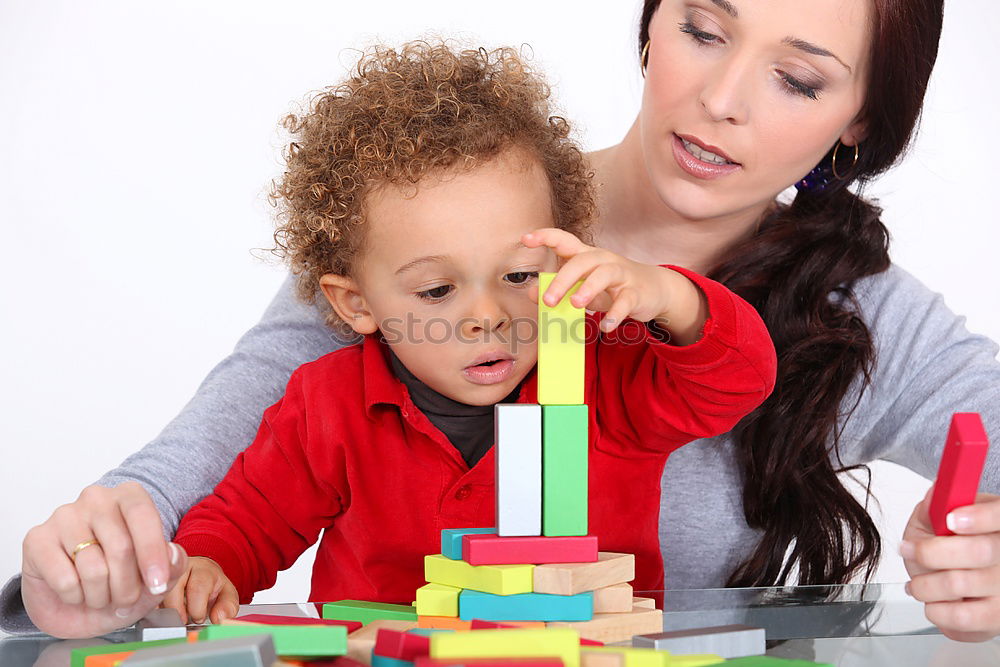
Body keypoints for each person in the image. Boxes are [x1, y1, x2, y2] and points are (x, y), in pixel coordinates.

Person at [10, 0, 1000, 643]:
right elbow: (197, 494)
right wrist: (91, 564)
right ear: (650, 25)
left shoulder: (831, 319)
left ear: (859, 118)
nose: (720, 100)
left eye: (797, 77)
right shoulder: (432, 207)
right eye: (702, 29)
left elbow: (726, 372)